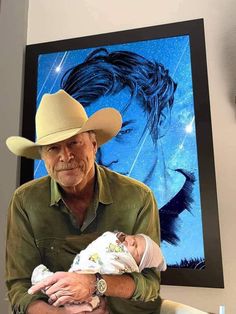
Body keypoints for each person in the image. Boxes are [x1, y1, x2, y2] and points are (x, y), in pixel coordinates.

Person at [5, 89, 162, 314]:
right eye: (53, 148)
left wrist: (93, 283)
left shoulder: (139, 197)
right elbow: (20, 288)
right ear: (43, 157)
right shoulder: (24, 202)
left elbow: (150, 284)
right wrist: (62, 313)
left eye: (74, 143)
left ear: (94, 144)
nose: (66, 156)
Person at [60, 48, 195, 247]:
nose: (104, 157)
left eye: (123, 132)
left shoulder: (197, 214)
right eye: (87, 140)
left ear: (161, 121)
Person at [31, 231, 167, 312]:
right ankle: (49, 282)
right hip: (80, 271)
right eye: (135, 238)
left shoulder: (123, 260)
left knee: (88, 302)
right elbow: (104, 242)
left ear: (135, 264)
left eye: (136, 247)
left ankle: (47, 281)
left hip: (89, 279)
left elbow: (110, 263)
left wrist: (93, 282)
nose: (131, 241)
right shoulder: (114, 241)